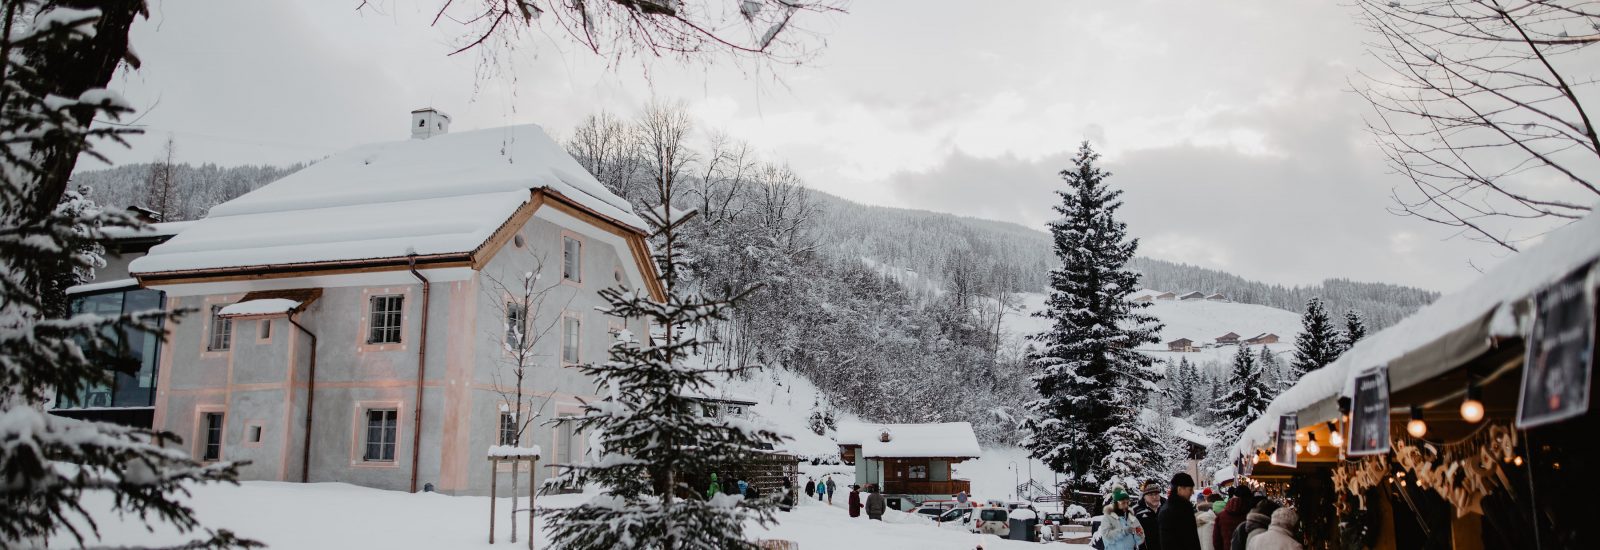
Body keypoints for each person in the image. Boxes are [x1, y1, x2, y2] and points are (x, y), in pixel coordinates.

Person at [1158, 472, 1201, 550]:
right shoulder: (1172, 510)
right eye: (1190, 489)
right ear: (1180, 489)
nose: (1192, 492)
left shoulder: (1182, 507)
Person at [1133, 481, 1164, 550]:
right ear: (1144, 496)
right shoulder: (1136, 511)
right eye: (1151, 494)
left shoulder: (1168, 507)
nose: (1154, 497)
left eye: (1156, 494)